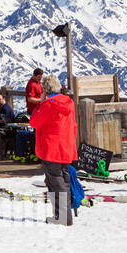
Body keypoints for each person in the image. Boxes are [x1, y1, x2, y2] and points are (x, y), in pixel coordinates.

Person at [30, 75, 77, 224]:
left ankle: (62, 217)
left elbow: (34, 122)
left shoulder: (48, 104)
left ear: (45, 89)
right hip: (66, 146)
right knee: (64, 180)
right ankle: (64, 215)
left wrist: (40, 102)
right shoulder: (69, 102)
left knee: (55, 182)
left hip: (51, 148)